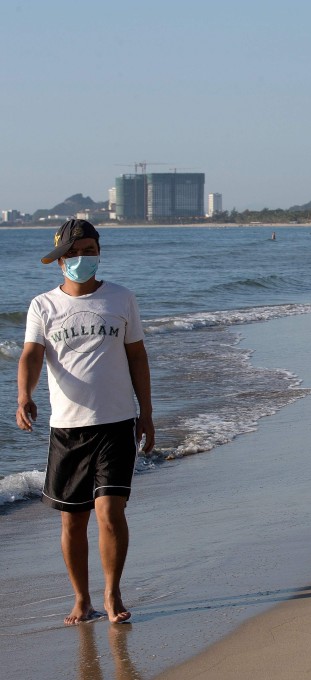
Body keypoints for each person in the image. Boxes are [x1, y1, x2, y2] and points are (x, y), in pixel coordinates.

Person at [16, 219, 155, 625]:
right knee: (72, 521)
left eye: (89, 250)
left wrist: (146, 413)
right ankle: (81, 599)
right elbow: (30, 355)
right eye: (73, 253)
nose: (81, 259)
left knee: (111, 512)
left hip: (116, 423)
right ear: (60, 260)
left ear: (99, 253)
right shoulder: (43, 306)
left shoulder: (121, 299)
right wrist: (24, 395)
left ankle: (112, 594)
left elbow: (137, 357)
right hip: (67, 428)